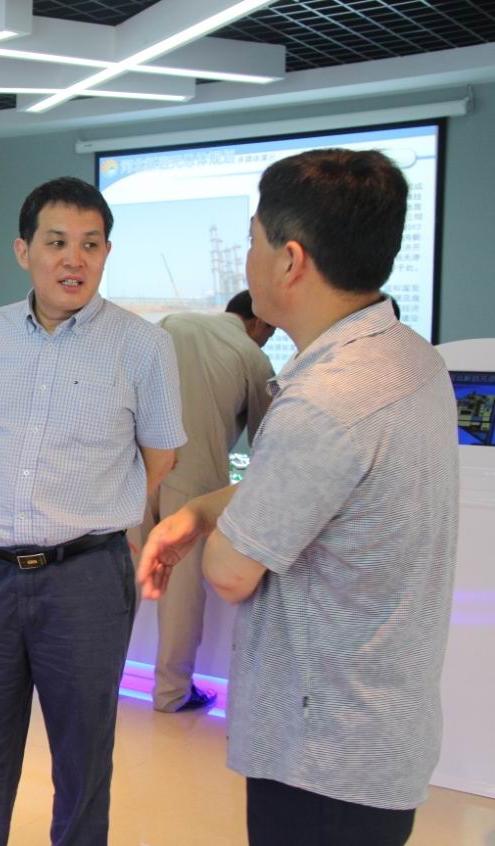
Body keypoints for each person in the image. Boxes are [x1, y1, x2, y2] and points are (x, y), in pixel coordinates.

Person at [137, 149, 458, 846]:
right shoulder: (409, 356)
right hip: (379, 734)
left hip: (321, 753)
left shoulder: (324, 400)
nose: (246, 259)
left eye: (251, 239)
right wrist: (199, 509)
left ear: (289, 260)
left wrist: (208, 527)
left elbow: (229, 571)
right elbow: (319, 488)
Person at [0, 177, 185, 845]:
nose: (73, 259)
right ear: (24, 250)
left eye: (90, 244)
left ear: (106, 253)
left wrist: (95, 508)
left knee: (82, 762)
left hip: (85, 579)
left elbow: (159, 456)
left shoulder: (142, 345)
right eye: (56, 243)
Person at [132, 290, 275, 713]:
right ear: (259, 323)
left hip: (138, 466)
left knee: (123, 573)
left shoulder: (173, 323)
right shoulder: (253, 356)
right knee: (180, 590)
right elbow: (269, 441)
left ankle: (97, 681)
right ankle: (172, 693)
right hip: (196, 480)